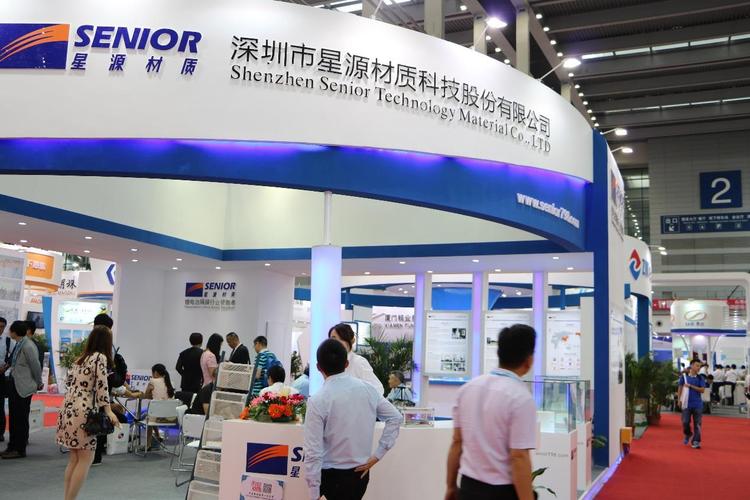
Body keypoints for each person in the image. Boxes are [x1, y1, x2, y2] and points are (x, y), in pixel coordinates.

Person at [445, 324, 538, 500]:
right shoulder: (521, 398)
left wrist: (450, 486)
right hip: (501, 492)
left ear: (499, 353)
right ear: (529, 360)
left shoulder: (467, 389)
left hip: (468, 487)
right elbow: (519, 457)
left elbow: (457, 442)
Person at [304, 339, 401, 500]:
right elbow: (395, 417)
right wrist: (378, 454)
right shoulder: (368, 389)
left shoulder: (318, 400)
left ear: (318, 367)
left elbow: (313, 452)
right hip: (359, 475)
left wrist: (314, 493)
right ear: (346, 364)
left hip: (331, 477)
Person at [56, 325, 119, 500]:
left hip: (68, 408)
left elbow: (69, 383)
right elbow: (102, 385)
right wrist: (108, 410)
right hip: (83, 410)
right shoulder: (100, 358)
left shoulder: (80, 359)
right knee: (85, 459)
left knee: (74, 459)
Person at [1, 320, 42, 459]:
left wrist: (39, 382)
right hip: (15, 384)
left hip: (24, 386)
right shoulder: (20, 343)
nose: (8, 332)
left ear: (14, 332)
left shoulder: (28, 345)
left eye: (10, 330)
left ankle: (19, 449)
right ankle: (12, 446)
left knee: (20, 419)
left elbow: (35, 366)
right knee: (14, 417)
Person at [328, 323, 384, 395]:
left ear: (352, 340)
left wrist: (356, 396)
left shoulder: (358, 362)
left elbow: (378, 389)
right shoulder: (330, 362)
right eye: (333, 339)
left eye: (342, 339)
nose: (337, 343)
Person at [140, 363, 176, 450]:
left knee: (149, 416)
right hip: (170, 417)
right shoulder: (171, 383)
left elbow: (145, 396)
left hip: (157, 415)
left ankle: (148, 445)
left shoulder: (152, 381)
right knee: (153, 414)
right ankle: (158, 436)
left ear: (155, 372)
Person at [678, 359, 706, 449]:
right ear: (691, 365)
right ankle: (688, 433)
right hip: (686, 404)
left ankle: (696, 441)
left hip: (697, 404)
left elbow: (702, 390)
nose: (698, 368)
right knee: (685, 422)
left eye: (699, 366)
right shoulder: (684, 377)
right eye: (697, 366)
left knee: (698, 423)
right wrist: (679, 400)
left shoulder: (700, 378)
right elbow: (680, 388)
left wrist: (691, 386)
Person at [176, 332, 204, 396]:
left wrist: (185, 374)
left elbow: (178, 367)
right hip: (198, 382)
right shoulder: (203, 353)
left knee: (185, 400)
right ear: (201, 341)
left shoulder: (183, 353)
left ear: (190, 341)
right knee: (196, 400)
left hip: (185, 383)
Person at [0, 317, 11, 443]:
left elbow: (12, 357)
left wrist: (5, 367)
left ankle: (0, 433)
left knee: (0, 404)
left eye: (2, 326)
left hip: (1, 375)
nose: (0, 329)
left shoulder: (8, 341)